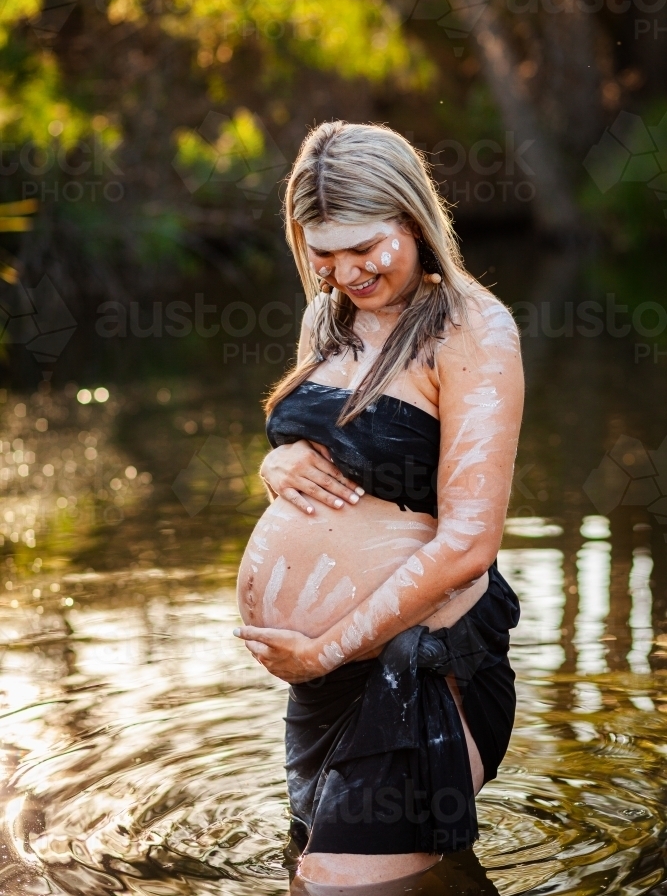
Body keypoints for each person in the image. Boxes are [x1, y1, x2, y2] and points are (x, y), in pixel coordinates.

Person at [233, 120, 524, 889]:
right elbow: (331, 463)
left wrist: (326, 647)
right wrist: (277, 461)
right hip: (322, 679)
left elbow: (468, 543)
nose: (345, 272)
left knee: (335, 881)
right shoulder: (325, 319)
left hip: (419, 667)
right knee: (312, 868)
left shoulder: (470, 330)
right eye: (322, 253)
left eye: (364, 247)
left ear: (412, 217)